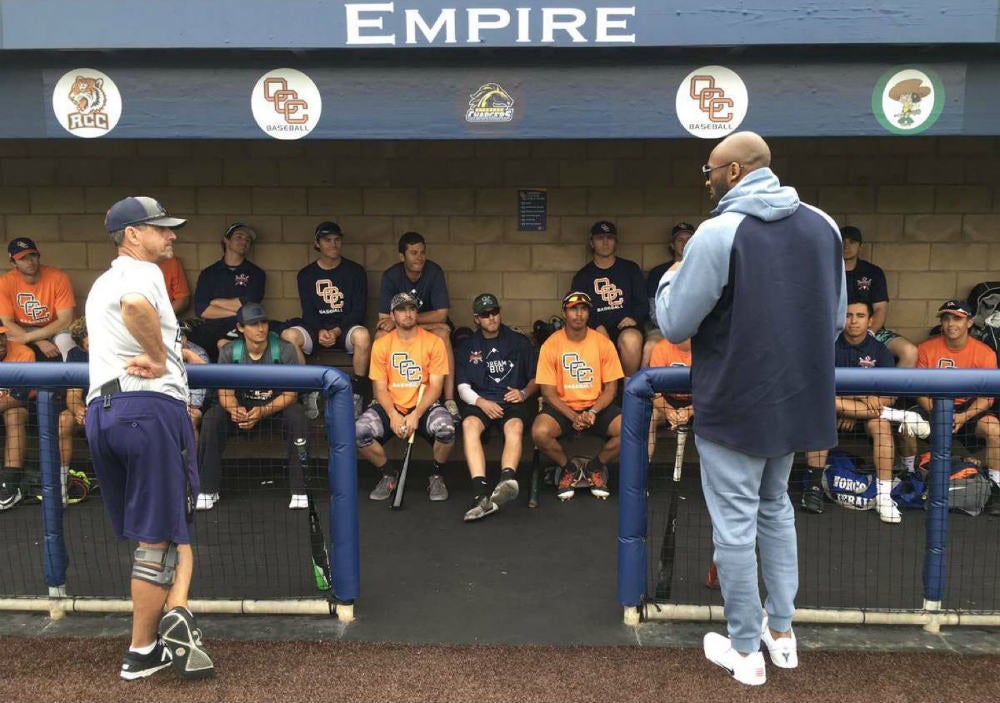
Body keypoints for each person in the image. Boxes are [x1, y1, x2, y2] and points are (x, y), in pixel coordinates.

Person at [656, 132, 846, 685]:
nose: (707, 178)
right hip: (795, 402)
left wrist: (671, 274)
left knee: (735, 528)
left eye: (711, 169)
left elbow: (673, 323)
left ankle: (745, 651)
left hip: (736, 404)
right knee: (776, 510)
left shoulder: (718, 232)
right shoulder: (824, 224)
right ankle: (781, 634)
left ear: (735, 171)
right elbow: (834, 323)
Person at [84, 196, 214, 680]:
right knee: (159, 538)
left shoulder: (100, 282)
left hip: (104, 413)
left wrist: (167, 348)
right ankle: (142, 650)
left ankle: (169, 615)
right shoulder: (142, 274)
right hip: (149, 409)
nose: (171, 235)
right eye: (160, 228)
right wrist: (159, 358)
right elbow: (136, 306)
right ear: (132, 235)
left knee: (151, 533)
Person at [803, 300, 917, 524]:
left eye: (860, 316)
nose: (853, 321)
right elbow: (817, 388)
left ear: (870, 320)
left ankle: (884, 497)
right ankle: (813, 487)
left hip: (870, 415)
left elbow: (891, 396)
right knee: (821, 413)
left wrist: (855, 408)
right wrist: (860, 399)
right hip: (835, 411)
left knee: (882, 425)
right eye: (848, 315)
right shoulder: (830, 345)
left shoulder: (879, 350)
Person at [196, 303, 309, 512]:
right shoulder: (230, 351)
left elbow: (291, 394)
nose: (260, 328)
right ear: (240, 328)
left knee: (297, 416)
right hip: (242, 409)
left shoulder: (284, 349)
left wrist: (263, 411)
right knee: (212, 418)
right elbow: (225, 392)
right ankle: (207, 488)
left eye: (263, 323)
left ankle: (300, 489)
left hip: (273, 409)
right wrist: (234, 410)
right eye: (253, 324)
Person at [358, 292, 455, 502]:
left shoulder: (434, 342)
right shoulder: (382, 344)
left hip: (424, 406)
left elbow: (436, 386)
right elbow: (380, 388)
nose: (407, 313)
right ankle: (388, 474)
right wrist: (393, 414)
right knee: (359, 432)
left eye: (411, 309)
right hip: (391, 405)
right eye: (401, 309)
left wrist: (416, 414)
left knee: (446, 428)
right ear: (392, 315)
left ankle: (437, 475)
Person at [531, 291, 624, 501]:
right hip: (563, 407)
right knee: (539, 432)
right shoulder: (551, 345)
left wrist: (592, 412)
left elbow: (611, 388)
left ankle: (595, 467)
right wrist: (573, 416)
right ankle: (569, 468)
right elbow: (547, 392)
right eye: (573, 309)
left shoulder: (603, 343)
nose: (579, 314)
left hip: (596, 406)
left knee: (630, 430)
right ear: (564, 312)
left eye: (583, 309)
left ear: (589, 313)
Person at [455, 293, 537, 522]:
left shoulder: (518, 342)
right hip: (482, 401)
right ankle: (480, 492)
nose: (491, 318)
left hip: (511, 401)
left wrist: (522, 393)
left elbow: (535, 379)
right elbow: (462, 386)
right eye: (485, 315)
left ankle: (506, 481)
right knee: (469, 424)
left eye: (494, 312)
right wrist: (482, 402)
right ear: (476, 319)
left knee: (515, 426)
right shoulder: (468, 346)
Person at [915, 299, 1000, 516]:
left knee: (993, 429)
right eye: (946, 318)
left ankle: (995, 486)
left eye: (957, 318)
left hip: (968, 410)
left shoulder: (985, 353)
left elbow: (988, 397)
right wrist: (938, 413)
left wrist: (963, 417)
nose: (951, 323)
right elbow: (920, 391)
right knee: (905, 426)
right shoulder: (926, 349)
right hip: (934, 406)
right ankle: (909, 474)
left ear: (970, 322)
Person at [284, 221, 371, 419]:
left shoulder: (355, 271)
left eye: (337, 240)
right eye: (327, 240)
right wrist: (319, 331)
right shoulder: (306, 275)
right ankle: (307, 391)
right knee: (289, 335)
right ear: (317, 244)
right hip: (317, 330)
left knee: (363, 335)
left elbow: (359, 311)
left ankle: (356, 394)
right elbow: (308, 311)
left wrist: (337, 331)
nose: (333, 244)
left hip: (344, 329)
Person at [376, 231, 460, 423]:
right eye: (413, 253)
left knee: (443, 333)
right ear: (402, 256)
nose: (419, 257)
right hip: (409, 329)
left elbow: (441, 314)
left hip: (428, 329)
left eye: (422, 252)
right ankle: (381, 398)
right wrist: (406, 322)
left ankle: (448, 400)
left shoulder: (434, 271)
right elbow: (383, 319)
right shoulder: (391, 275)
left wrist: (408, 319)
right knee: (380, 336)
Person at [570, 221, 647, 377]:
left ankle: (628, 390)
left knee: (631, 340)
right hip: (595, 328)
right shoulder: (583, 276)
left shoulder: (630, 269)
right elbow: (577, 308)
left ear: (615, 242)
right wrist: (596, 326)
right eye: (600, 238)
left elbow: (643, 303)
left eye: (609, 238)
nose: (605, 242)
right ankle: (605, 392)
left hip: (626, 326)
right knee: (595, 343)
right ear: (592, 242)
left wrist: (634, 318)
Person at [841, 225, 918, 368]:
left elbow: (880, 309)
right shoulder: (826, 272)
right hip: (838, 329)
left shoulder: (873, 272)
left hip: (872, 330)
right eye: (842, 242)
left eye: (852, 242)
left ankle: (891, 390)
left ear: (860, 246)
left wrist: (869, 334)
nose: (846, 246)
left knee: (909, 352)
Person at [188, 222, 266, 361]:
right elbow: (202, 310)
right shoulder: (209, 273)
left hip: (242, 328)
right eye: (239, 237)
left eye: (248, 240)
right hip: (211, 329)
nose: (244, 241)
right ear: (226, 240)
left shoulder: (256, 273)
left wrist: (215, 303)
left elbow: (249, 305)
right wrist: (237, 310)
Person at [0, 237, 76, 361]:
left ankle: (69, 380)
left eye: (33, 256)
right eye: (22, 258)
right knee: (7, 340)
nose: (30, 262)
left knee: (65, 341)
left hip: (56, 327)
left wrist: (28, 338)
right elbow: (6, 323)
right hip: (24, 328)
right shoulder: (5, 282)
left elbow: (65, 321)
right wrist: (39, 341)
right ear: (13, 263)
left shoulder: (58, 277)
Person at [643, 223, 696, 367]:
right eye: (680, 240)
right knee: (650, 347)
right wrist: (674, 326)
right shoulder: (659, 273)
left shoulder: (703, 270)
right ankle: (642, 388)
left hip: (696, 329)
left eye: (689, 239)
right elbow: (654, 312)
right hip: (663, 328)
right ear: (672, 245)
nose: (684, 243)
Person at [0, 326, 37, 510]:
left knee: (14, 415)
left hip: (20, 407)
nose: (0, 341)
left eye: (2, 335)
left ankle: (10, 485)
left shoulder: (23, 353)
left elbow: (19, 396)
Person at [645, 337, 693, 461]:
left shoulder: (707, 350)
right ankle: (645, 464)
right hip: (667, 400)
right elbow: (654, 392)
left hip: (699, 403)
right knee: (650, 417)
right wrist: (669, 412)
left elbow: (712, 392)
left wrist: (690, 411)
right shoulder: (661, 348)